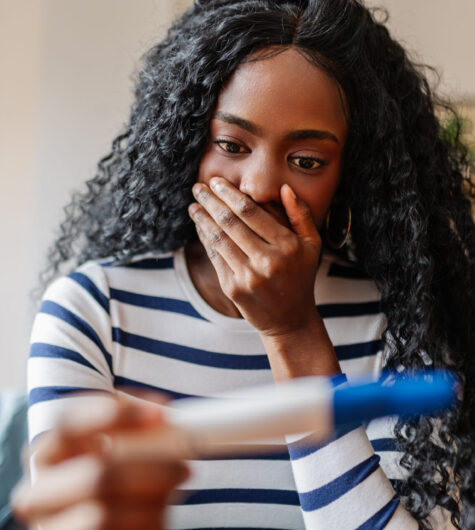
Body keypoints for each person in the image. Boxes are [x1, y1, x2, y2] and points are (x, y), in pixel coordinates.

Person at [12, 0, 474, 528]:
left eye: (306, 161)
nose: (256, 186)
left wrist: (294, 332)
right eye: (231, 144)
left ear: (351, 174)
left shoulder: (400, 323)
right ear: (186, 146)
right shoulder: (94, 311)